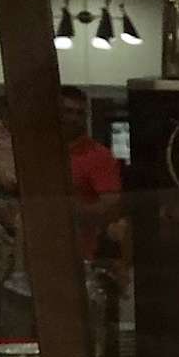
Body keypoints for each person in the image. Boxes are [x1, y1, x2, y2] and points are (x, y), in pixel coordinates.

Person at [58, 88, 125, 264]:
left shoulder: (99, 156)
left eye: (79, 113)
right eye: (68, 111)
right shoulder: (42, 151)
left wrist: (67, 209)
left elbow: (111, 207)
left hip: (78, 256)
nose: (74, 118)